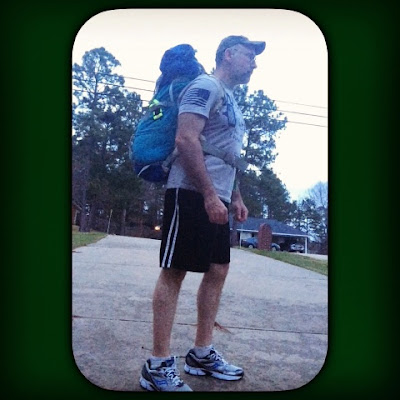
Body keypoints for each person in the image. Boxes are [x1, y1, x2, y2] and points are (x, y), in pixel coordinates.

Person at [140, 35, 266, 392]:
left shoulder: (231, 99)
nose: (254, 63)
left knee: (217, 269)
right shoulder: (204, 86)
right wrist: (210, 194)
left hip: (218, 196)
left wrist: (235, 196)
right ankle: (157, 365)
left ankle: (201, 353)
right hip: (191, 191)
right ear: (228, 54)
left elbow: (226, 153)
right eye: (249, 56)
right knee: (175, 271)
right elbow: (185, 139)